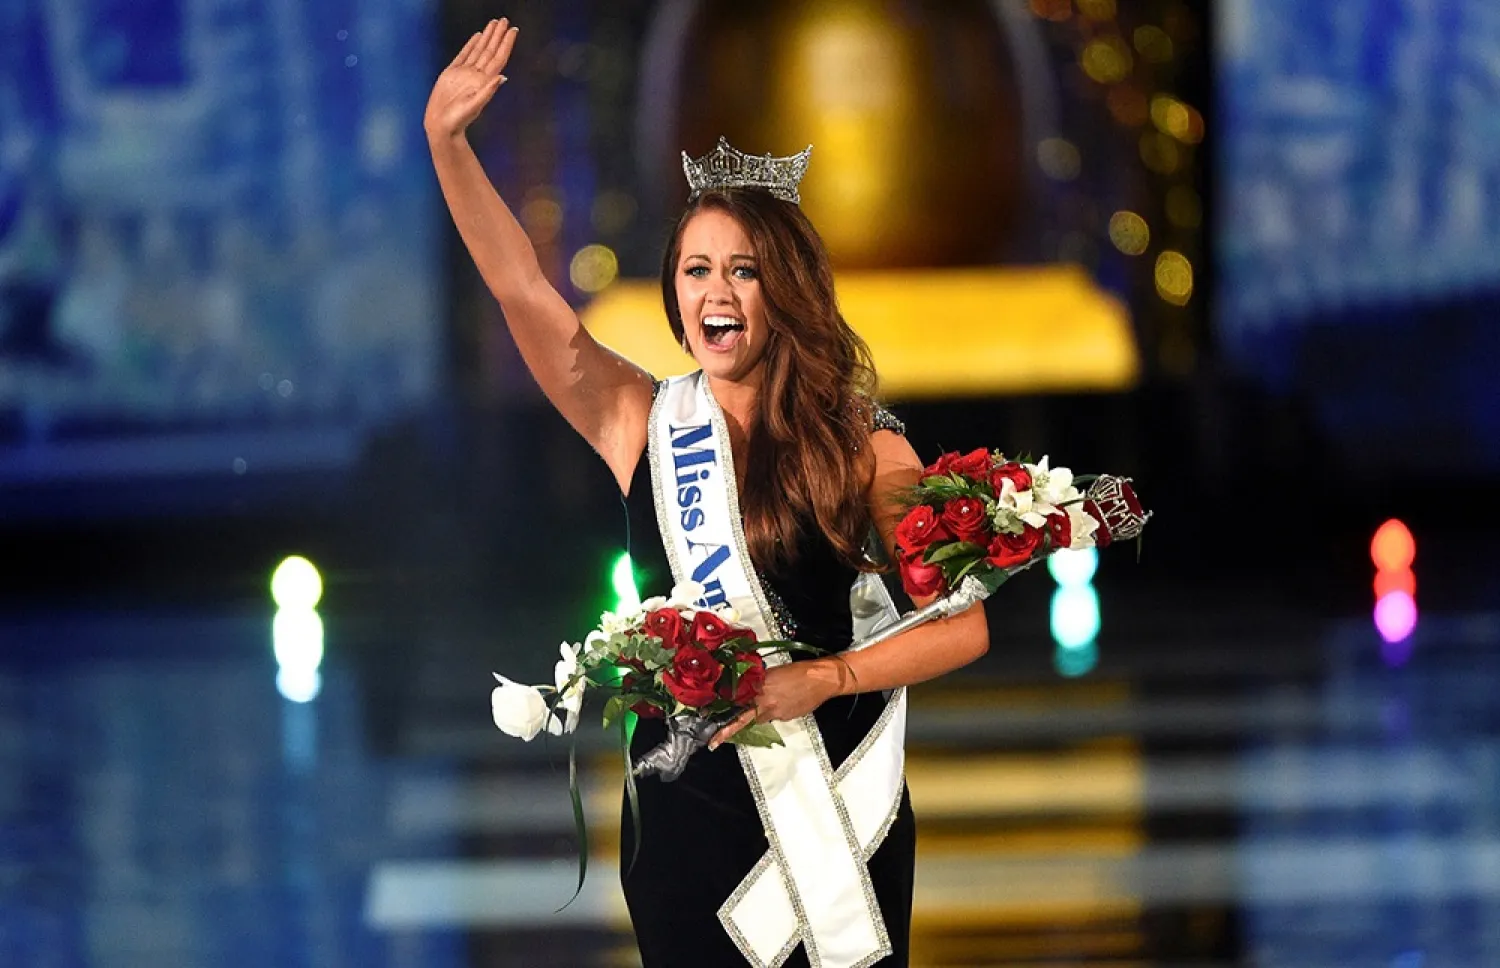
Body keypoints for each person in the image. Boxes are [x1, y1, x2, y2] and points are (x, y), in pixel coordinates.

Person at [425, 19, 990, 967]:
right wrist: (448, 144)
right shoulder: (640, 421)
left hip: (833, 809)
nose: (717, 288)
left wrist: (823, 677)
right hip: (686, 819)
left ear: (789, 290)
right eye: (697, 268)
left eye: (745, 268)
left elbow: (961, 626)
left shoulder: (863, 447)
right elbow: (523, 289)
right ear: (674, 294)